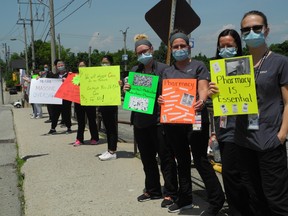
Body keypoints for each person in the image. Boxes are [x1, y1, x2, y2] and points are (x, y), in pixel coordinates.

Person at [158, 29, 225, 214]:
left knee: (201, 159)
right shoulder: (167, 71)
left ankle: (217, 199)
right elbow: (165, 96)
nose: (180, 48)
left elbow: (203, 89)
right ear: (171, 49)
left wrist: (202, 101)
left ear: (189, 47)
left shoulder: (198, 66)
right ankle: (185, 197)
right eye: (176, 46)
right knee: (182, 160)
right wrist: (161, 101)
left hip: (195, 118)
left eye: (183, 45)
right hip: (174, 121)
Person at [233, 10, 288, 215]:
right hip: (243, 141)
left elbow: (287, 101)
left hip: (269, 141)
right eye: (246, 29)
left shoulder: (280, 62)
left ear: (266, 30)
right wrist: (215, 93)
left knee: (277, 199)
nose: (252, 32)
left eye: (257, 28)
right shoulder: (237, 65)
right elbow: (232, 102)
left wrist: (281, 135)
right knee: (254, 197)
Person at [123, 34, 178, 208]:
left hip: (158, 121)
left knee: (166, 158)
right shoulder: (134, 71)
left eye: (145, 51)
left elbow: (173, 92)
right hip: (140, 121)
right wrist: (126, 89)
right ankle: (152, 189)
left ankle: (170, 192)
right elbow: (130, 96)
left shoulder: (164, 69)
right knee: (147, 158)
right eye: (139, 53)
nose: (142, 55)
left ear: (151, 49)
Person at [209, 29, 253, 216]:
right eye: (222, 45)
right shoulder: (216, 68)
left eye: (230, 45)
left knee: (247, 176)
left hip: (248, 130)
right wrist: (211, 93)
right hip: (225, 130)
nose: (225, 49)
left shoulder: (246, 65)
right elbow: (215, 104)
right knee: (229, 175)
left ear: (238, 46)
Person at [97, 55, 119, 160]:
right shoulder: (99, 74)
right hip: (103, 104)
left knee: (112, 128)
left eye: (106, 62)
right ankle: (109, 149)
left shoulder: (115, 73)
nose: (104, 64)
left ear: (111, 63)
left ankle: (112, 151)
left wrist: (120, 83)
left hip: (111, 105)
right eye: (103, 62)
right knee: (107, 129)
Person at [73, 61, 99, 146]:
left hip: (90, 100)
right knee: (80, 121)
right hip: (79, 101)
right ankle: (79, 139)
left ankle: (94, 138)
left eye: (83, 65)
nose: (82, 67)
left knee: (92, 120)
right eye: (80, 66)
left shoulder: (91, 76)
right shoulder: (75, 77)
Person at [47, 60, 72, 134]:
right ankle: (53, 128)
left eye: (62, 65)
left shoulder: (69, 75)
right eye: (59, 66)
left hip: (66, 98)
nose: (60, 67)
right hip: (57, 99)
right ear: (56, 67)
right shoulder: (54, 76)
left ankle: (68, 127)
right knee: (55, 113)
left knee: (66, 113)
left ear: (64, 66)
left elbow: (73, 83)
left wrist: (67, 80)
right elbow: (47, 83)